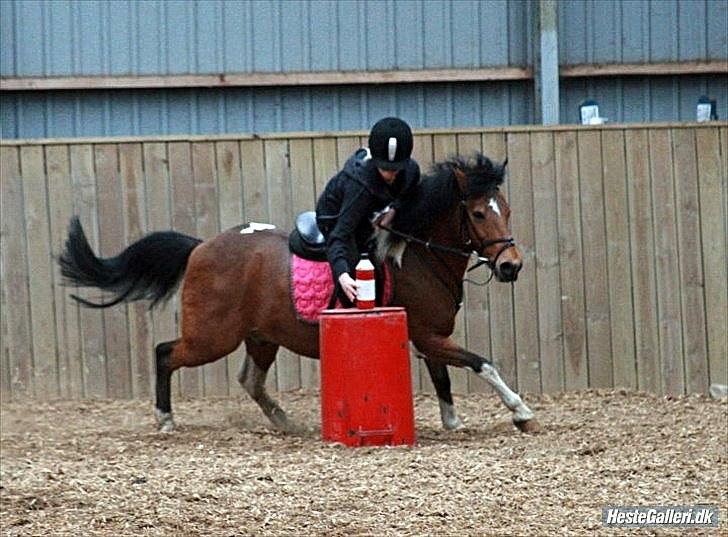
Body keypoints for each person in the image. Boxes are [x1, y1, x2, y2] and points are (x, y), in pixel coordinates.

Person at [316, 117, 420, 307]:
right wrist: (342, 274)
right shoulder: (359, 188)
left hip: (370, 213)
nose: (391, 175)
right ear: (374, 161)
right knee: (360, 275)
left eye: (396, 169)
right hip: (336, 218)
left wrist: (393, 210)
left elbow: (407, 194)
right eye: (385, 169)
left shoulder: (411, 172)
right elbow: (339, 235)